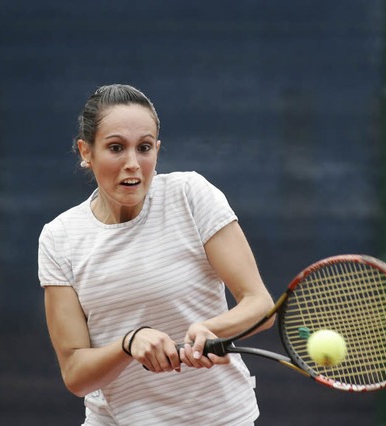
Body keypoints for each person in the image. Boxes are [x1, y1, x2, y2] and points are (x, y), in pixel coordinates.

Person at [38, 84, 274, 425]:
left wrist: (211, 328)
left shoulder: (191, 196)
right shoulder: (59, 238)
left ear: (157, 151)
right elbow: (76, 373)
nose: (133, 163)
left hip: (218, 418)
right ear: (85, 152)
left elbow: (260, 306)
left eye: (144, 148)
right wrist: (128, 344)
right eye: (116, 148)